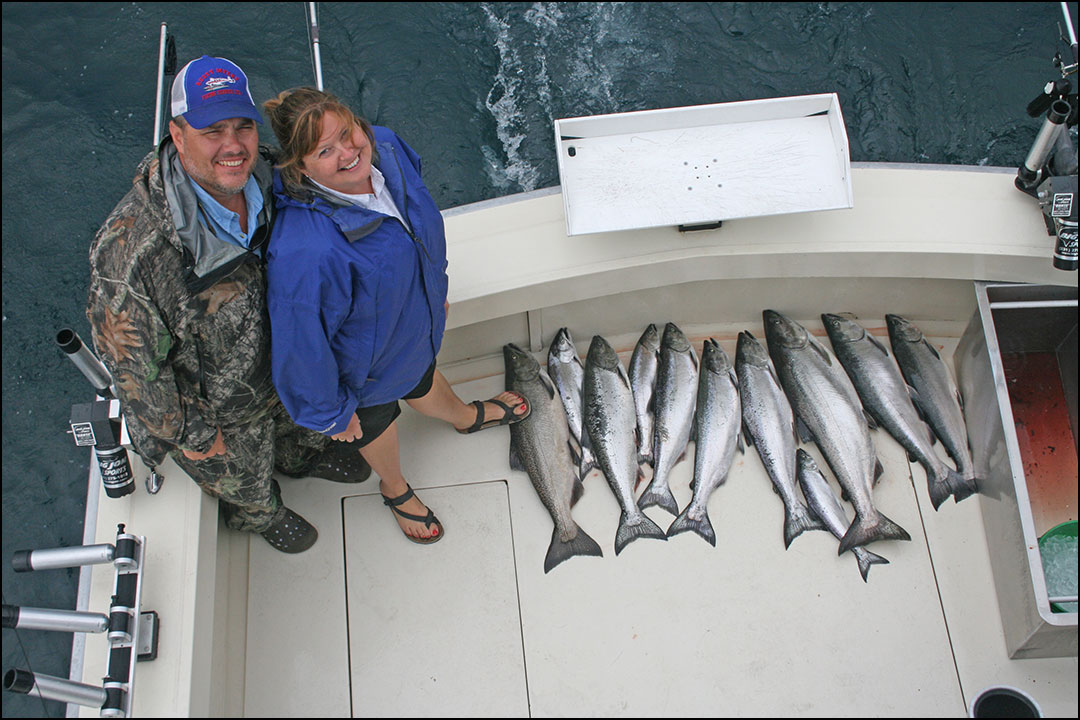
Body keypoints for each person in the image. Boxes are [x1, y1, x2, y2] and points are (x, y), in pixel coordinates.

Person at [86, 57, 371, 555]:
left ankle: (302, 459)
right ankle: (262, 514)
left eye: (243, 126)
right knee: (244, 478)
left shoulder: (271, 175)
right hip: (220, 416)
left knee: (298, 433)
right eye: (212, 130)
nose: (233, 145)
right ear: (178, 136)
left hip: (285, 373)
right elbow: (129, 367)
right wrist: (192, 430)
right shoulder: (131, 252)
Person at [261, 87, 530, 545]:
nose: (349, 153)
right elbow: (300, 348)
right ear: (300, 167)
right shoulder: (305, 252)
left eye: (348, 133)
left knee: (424, 378)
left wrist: (433, 291)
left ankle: (464, 416)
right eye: (326, 150)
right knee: (377, 422)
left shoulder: (384, 147)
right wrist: (331, 415)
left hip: (413, 327)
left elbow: (416, 222)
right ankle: (395, 487)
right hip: (363, 373)